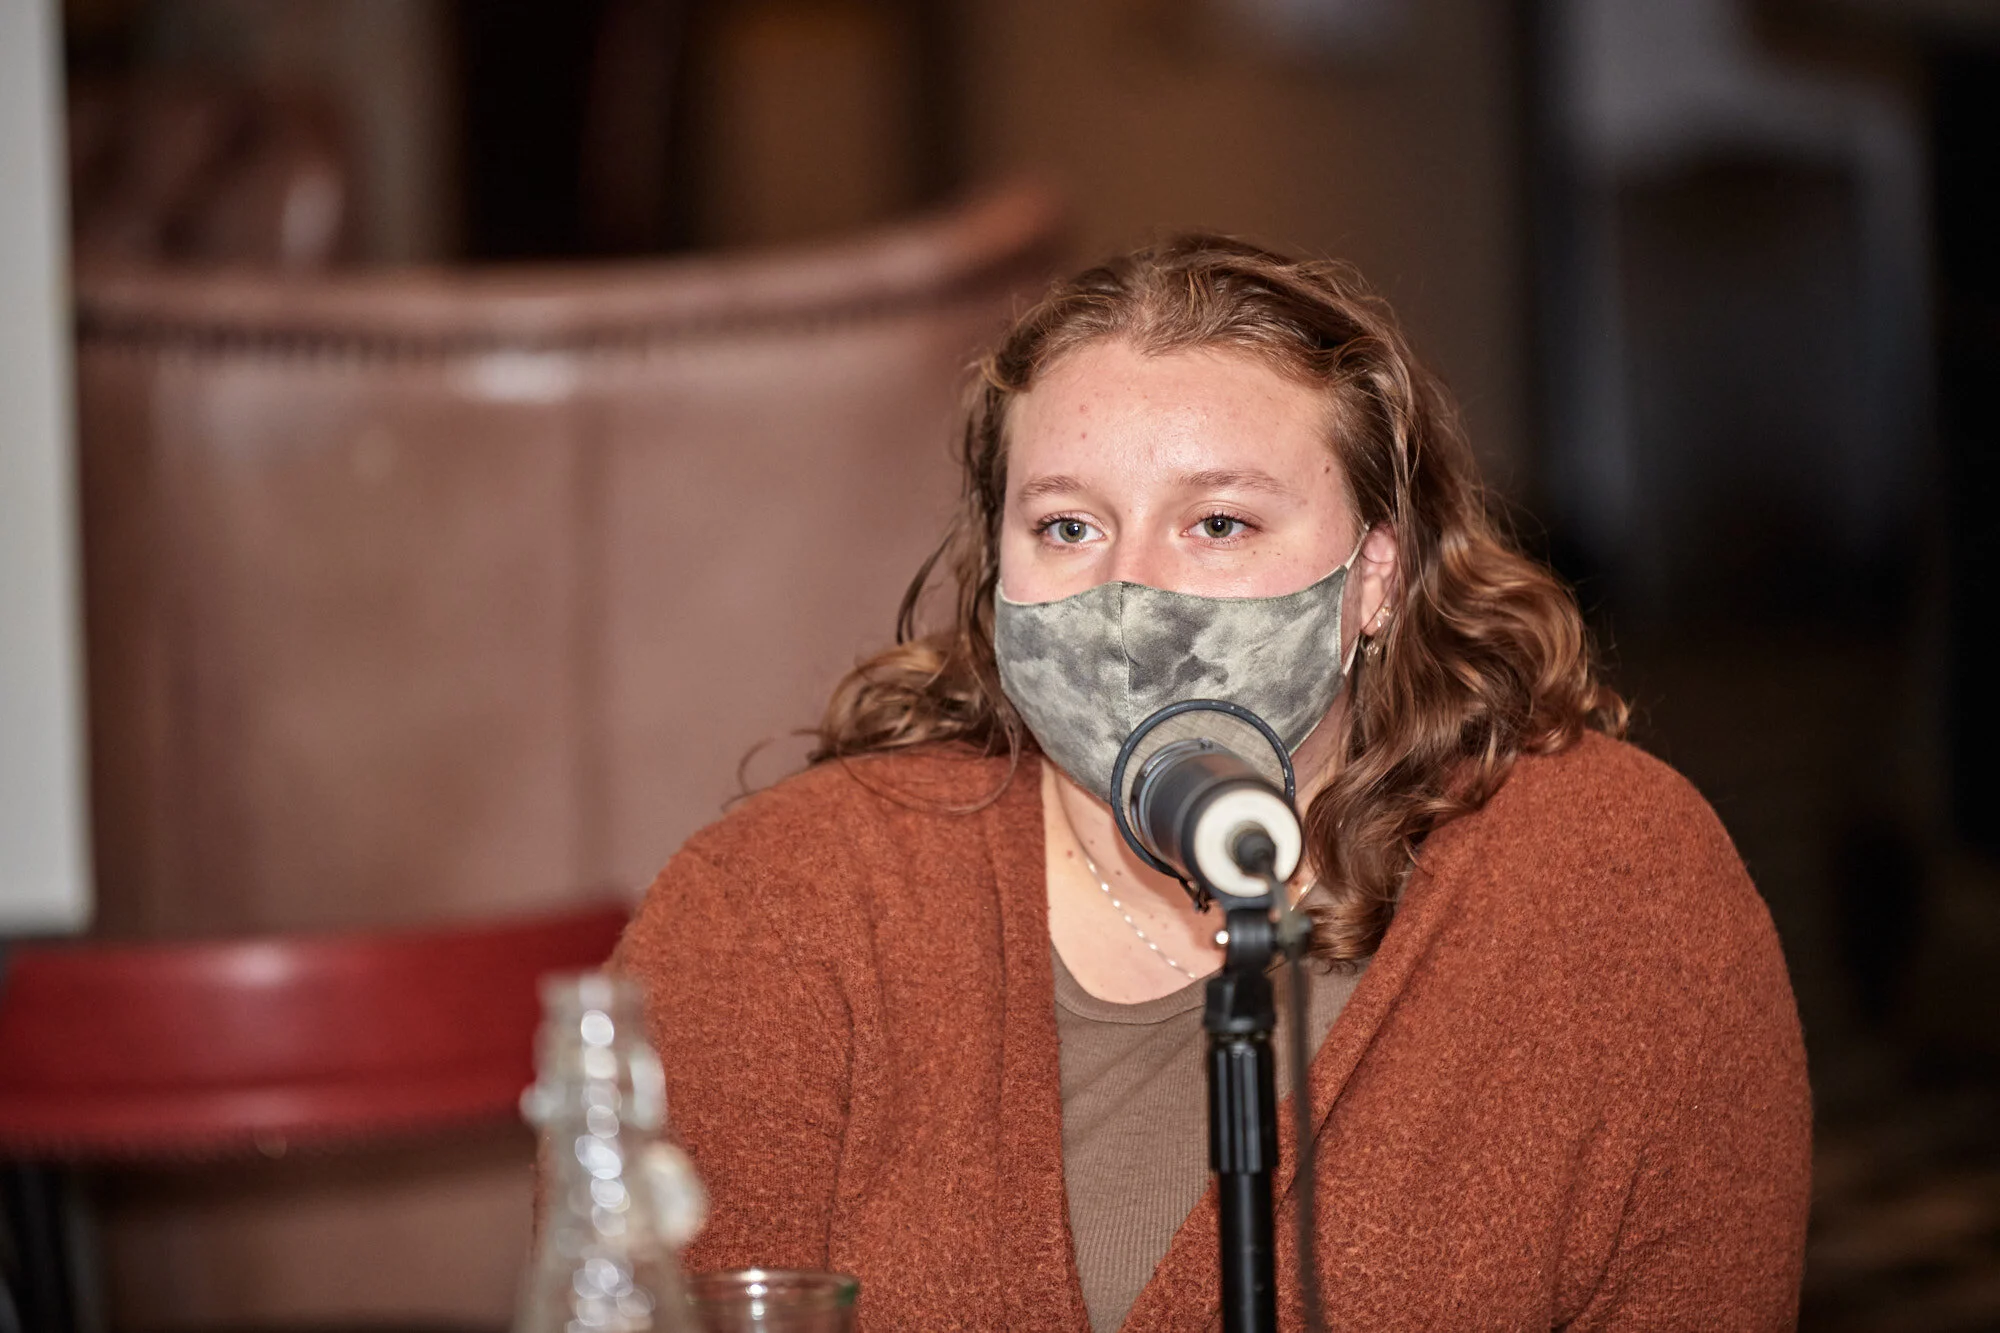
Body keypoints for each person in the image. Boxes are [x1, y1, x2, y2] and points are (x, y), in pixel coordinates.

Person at [611, 236, 1812, 1331]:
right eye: (1067, 528)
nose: (1128, 597)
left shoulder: (1608, 880)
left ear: (1373, 577)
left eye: (1219, 524)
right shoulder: (779, 904)